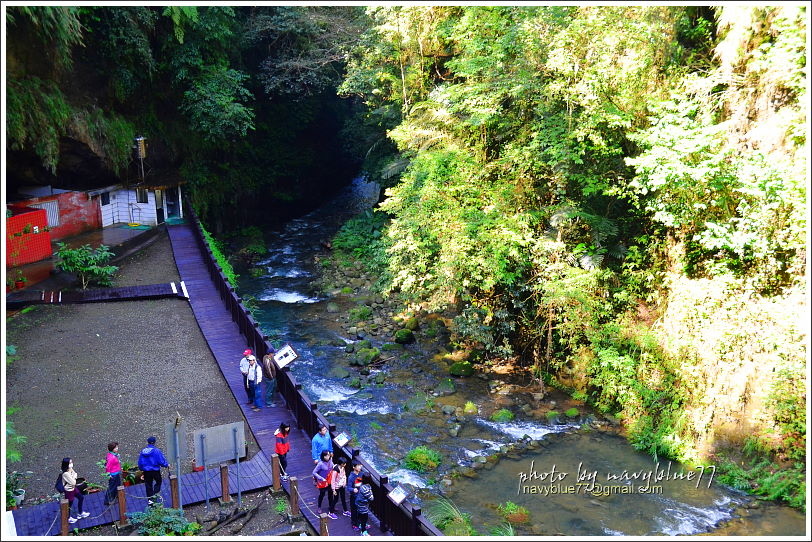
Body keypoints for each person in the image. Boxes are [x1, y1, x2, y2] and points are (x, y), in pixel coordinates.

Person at [138, 436, 170, 505]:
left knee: (148, 485)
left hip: (146, 472)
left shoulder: (143, 451)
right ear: (154, 442)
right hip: (155, 471)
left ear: (148, 442)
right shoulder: (156, 451)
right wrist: (166, 465)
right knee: (158, 481)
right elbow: (161, 461)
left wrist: (141, 469)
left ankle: (150, 500)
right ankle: (155, 495)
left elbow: (140, 462)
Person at [61, 457, 90, 523]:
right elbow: (74, 482)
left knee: (81, 498)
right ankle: (68, 518)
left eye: (71, 462)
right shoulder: (65, 474)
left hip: (73, 488)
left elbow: (75, 474)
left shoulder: (70, 469)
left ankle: (80, 512)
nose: (71, 464)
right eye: (70, 463)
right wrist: (74, 477)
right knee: (69, 505)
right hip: (69, 491)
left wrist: (73, 477)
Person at [311, 450, 334, 515]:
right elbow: (314, 472)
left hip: (329, 480)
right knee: (322, 494)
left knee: (330, 494)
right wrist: (320, 478)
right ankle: (319, 507)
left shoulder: (330, 461)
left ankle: (331, 507)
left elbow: (332, 467)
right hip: (323, 482)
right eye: (326, 455)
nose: (328, 457)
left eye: (329, 455)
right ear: (323, 456)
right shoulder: (320, 464)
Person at [103, 442, 121, 506]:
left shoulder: (111, 455)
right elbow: (108, 466)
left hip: (116, 472)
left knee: (117, 486)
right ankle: (108, 500)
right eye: (116, 447)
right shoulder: (112, 457)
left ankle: (117, 496)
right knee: (112, 487)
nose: (117, 448)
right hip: (114, 474)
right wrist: (108, 474)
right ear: (112, 449)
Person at [347, 461, 363, 530]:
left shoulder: (361, 474)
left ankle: (360, 523)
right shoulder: (351, 477)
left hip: (360, 496)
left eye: (360, 465)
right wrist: (353, 489)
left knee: (360, 510)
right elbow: (348, 488)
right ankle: (354, 524)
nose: (360, 467)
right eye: (358, 466)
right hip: (354, 497)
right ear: (354, 467)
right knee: (354, 511)